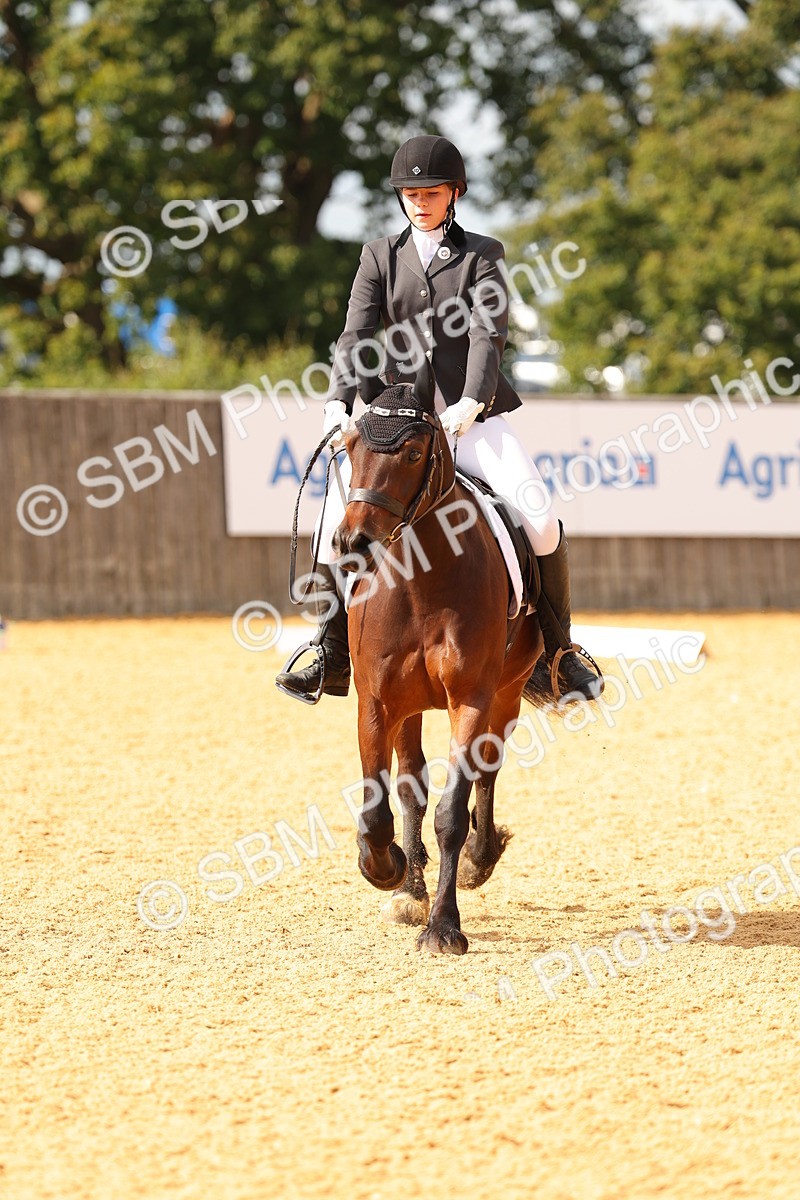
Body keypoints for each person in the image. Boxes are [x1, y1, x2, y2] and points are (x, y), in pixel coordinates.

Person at [276, 134, 603, 705]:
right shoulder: (379, 255)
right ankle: (329, 651)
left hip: (467, 419)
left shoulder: (482, 254)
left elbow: (486, 333)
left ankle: (558, 652)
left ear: (454, 193)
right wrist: (338, 399)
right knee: (337, 519)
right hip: (394, 421)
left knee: (541, 519)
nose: (419, 201)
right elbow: (356, 334)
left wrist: (470, 404)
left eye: (430, 191)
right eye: (409, 192)